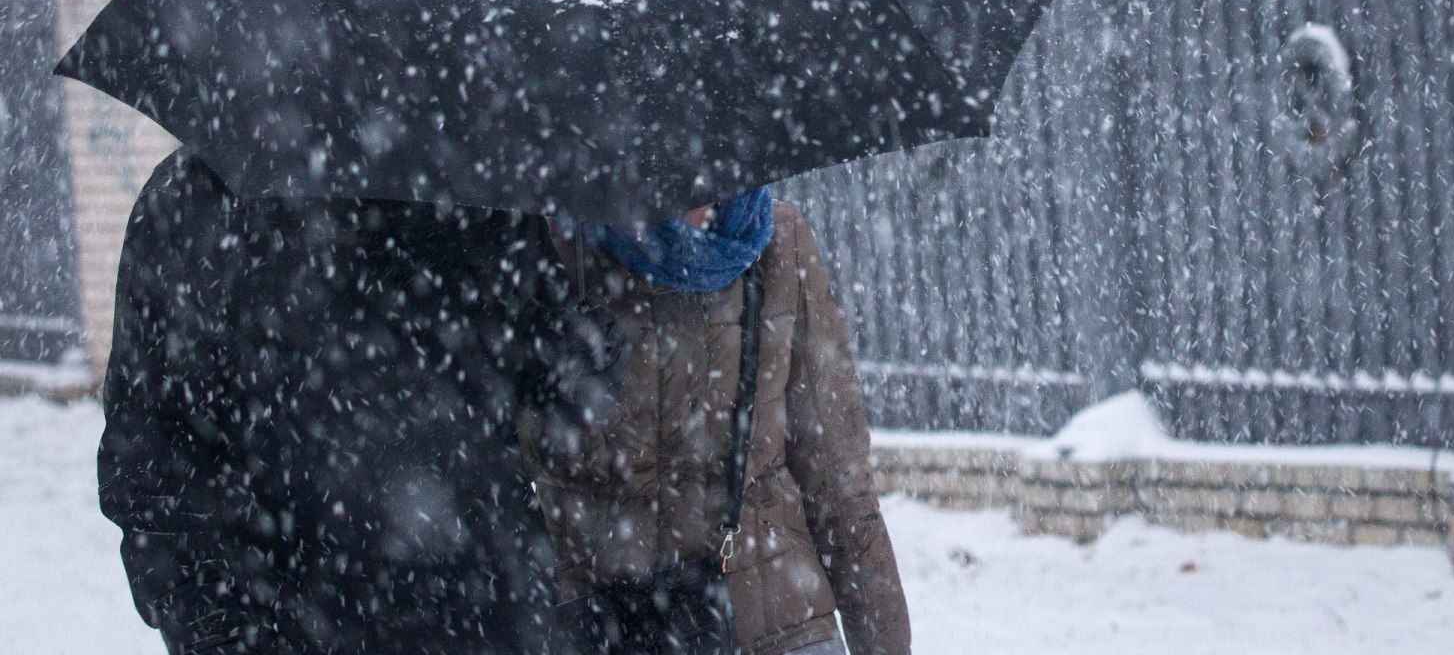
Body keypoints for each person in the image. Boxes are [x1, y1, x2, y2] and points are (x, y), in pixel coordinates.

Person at [97, 150, 575, 654]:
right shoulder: (471, 178)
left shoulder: (195, 195)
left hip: (451, 599)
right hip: (332, 605)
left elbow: (147, 443)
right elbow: (150, 441)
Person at [520, 188, 911, 655]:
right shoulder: (560, 246)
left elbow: (839, 482)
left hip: (779, 624)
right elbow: (521, 467)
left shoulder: (779, 241)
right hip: (617, 624)